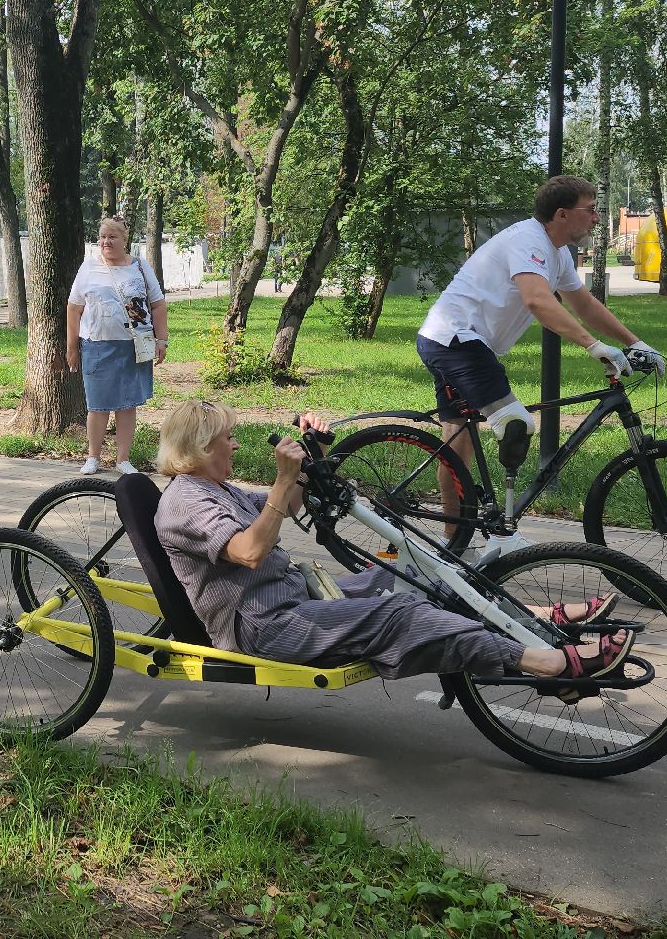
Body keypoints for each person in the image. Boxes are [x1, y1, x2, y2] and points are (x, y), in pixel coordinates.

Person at [152, 399, 630, 681]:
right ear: (199, 447)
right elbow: (251, 551)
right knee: (398, 610)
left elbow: (288, 507)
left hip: (294, 599)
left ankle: (532, 618)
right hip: (263, 626)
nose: (235, 445)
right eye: (228, 438)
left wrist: (313, 453)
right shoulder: (183, 503)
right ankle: (546, 663)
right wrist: (280, 481)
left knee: (412, 567)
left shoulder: (216, 488)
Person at [416, 175, 665, 506]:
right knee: (516, 424)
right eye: (590, 210)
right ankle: (504, 524)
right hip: (456, 340)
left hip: (455, 341)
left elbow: (585, 305)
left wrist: (636, 343)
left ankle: (453, 543)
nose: (595, 218)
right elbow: (537, 300)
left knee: (458, 444)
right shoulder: (528, 240)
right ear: (562, 214)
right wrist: (593, 346)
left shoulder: (558, 253)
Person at [66, 217, 168, 475]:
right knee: (98, 405)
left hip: (133, 346)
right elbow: (74, 308)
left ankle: (123, 459)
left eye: (112, 237)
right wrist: (72, 347)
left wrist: (162, 340)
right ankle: (93, 457)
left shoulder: (140, 267)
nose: (106, 242)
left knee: (127, 404)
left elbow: (157, 305)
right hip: (97, 346)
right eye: (102, 236)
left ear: (125, 240)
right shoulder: (88, 268)